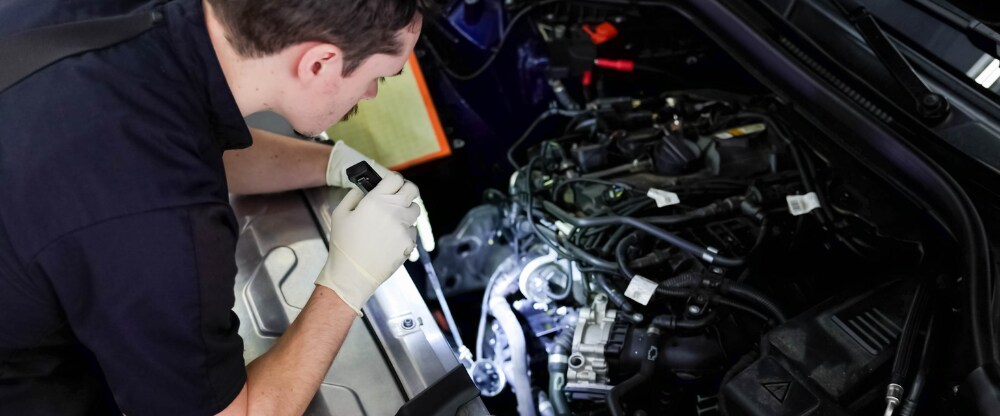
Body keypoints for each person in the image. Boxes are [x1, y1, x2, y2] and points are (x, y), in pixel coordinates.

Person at [0, 0, 435, 414]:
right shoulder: (159, 226)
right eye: (382, 76)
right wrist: (347, 284)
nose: (374, 93)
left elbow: (176, 140)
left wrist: (335, 163)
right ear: (318, 63)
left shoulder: (148, 24)